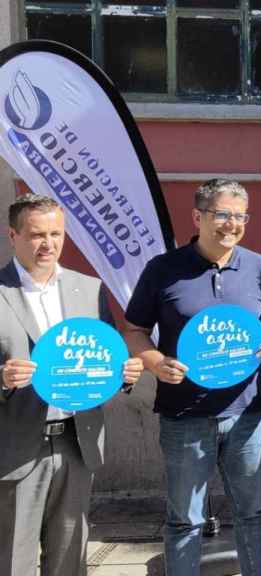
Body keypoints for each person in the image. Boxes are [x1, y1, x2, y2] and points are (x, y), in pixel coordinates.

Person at [123, 179, 261, 576]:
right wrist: (154, 360)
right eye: (222, 214)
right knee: (185, 520)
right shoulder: (163, 270)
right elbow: (134, 329)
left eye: (240, 216)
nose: (232, 224)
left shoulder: (260, 267)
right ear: (198, 217)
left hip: (247, 413)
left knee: (253, 513)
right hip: (184, 417)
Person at [0, 193, 143, 576]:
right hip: (15, 446)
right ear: (12, 235)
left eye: (56, 234)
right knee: (12, 557)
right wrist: (2, 378)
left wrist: (123, 376)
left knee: (69, 559)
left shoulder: (88, 289)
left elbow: (105, 356)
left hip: (76, 443)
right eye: (36, 235)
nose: (48, 244)